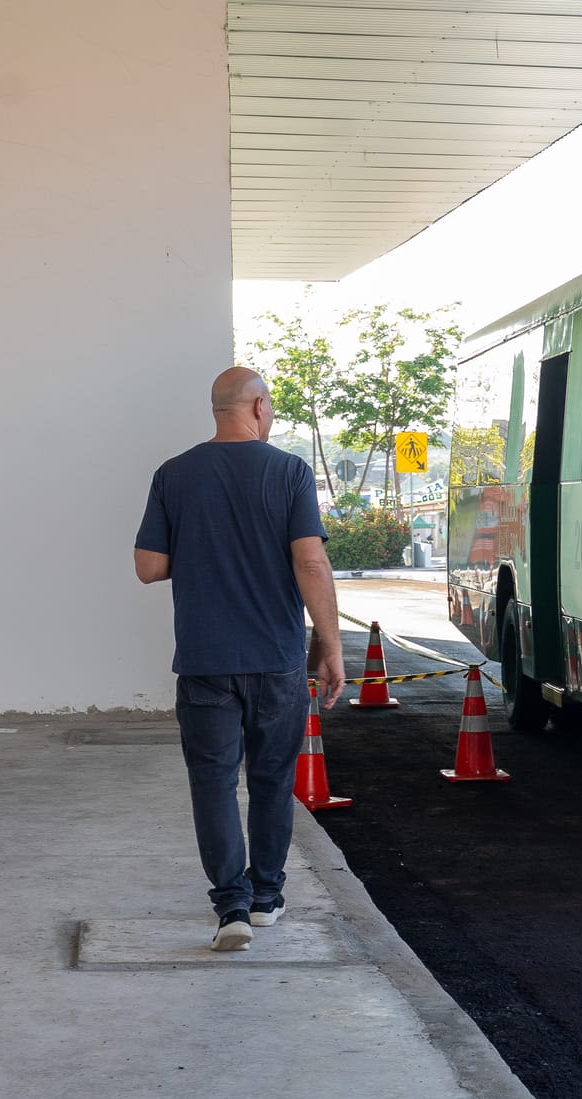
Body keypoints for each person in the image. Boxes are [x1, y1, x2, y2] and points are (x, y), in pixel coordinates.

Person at [134, 368, 346, 952]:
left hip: (203, 660)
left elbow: (148, 566)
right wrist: (329, 642)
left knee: (214, 783)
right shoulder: (289, 473)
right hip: (276, 660)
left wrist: (204, 550)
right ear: (257, 407)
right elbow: (311, 564)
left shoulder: (173, 475)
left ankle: (230, 907)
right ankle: (267, 898)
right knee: (273, 781)